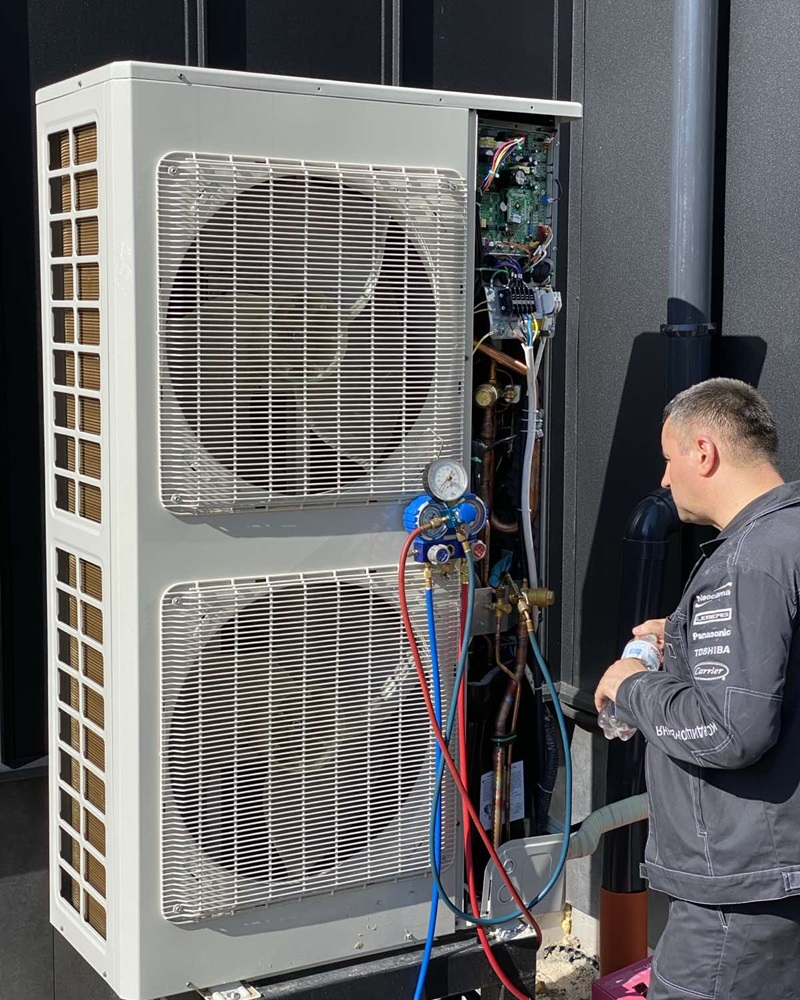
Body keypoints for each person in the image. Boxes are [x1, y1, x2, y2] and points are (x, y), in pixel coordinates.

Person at [594, 378, 800, 1000]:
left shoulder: (745, 561)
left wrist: (633, 687)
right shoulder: (787, 538)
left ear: (704, 452)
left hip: (739, 898)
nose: (664, 478)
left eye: (668, 458)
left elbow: (727, 730)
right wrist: (685, 637)